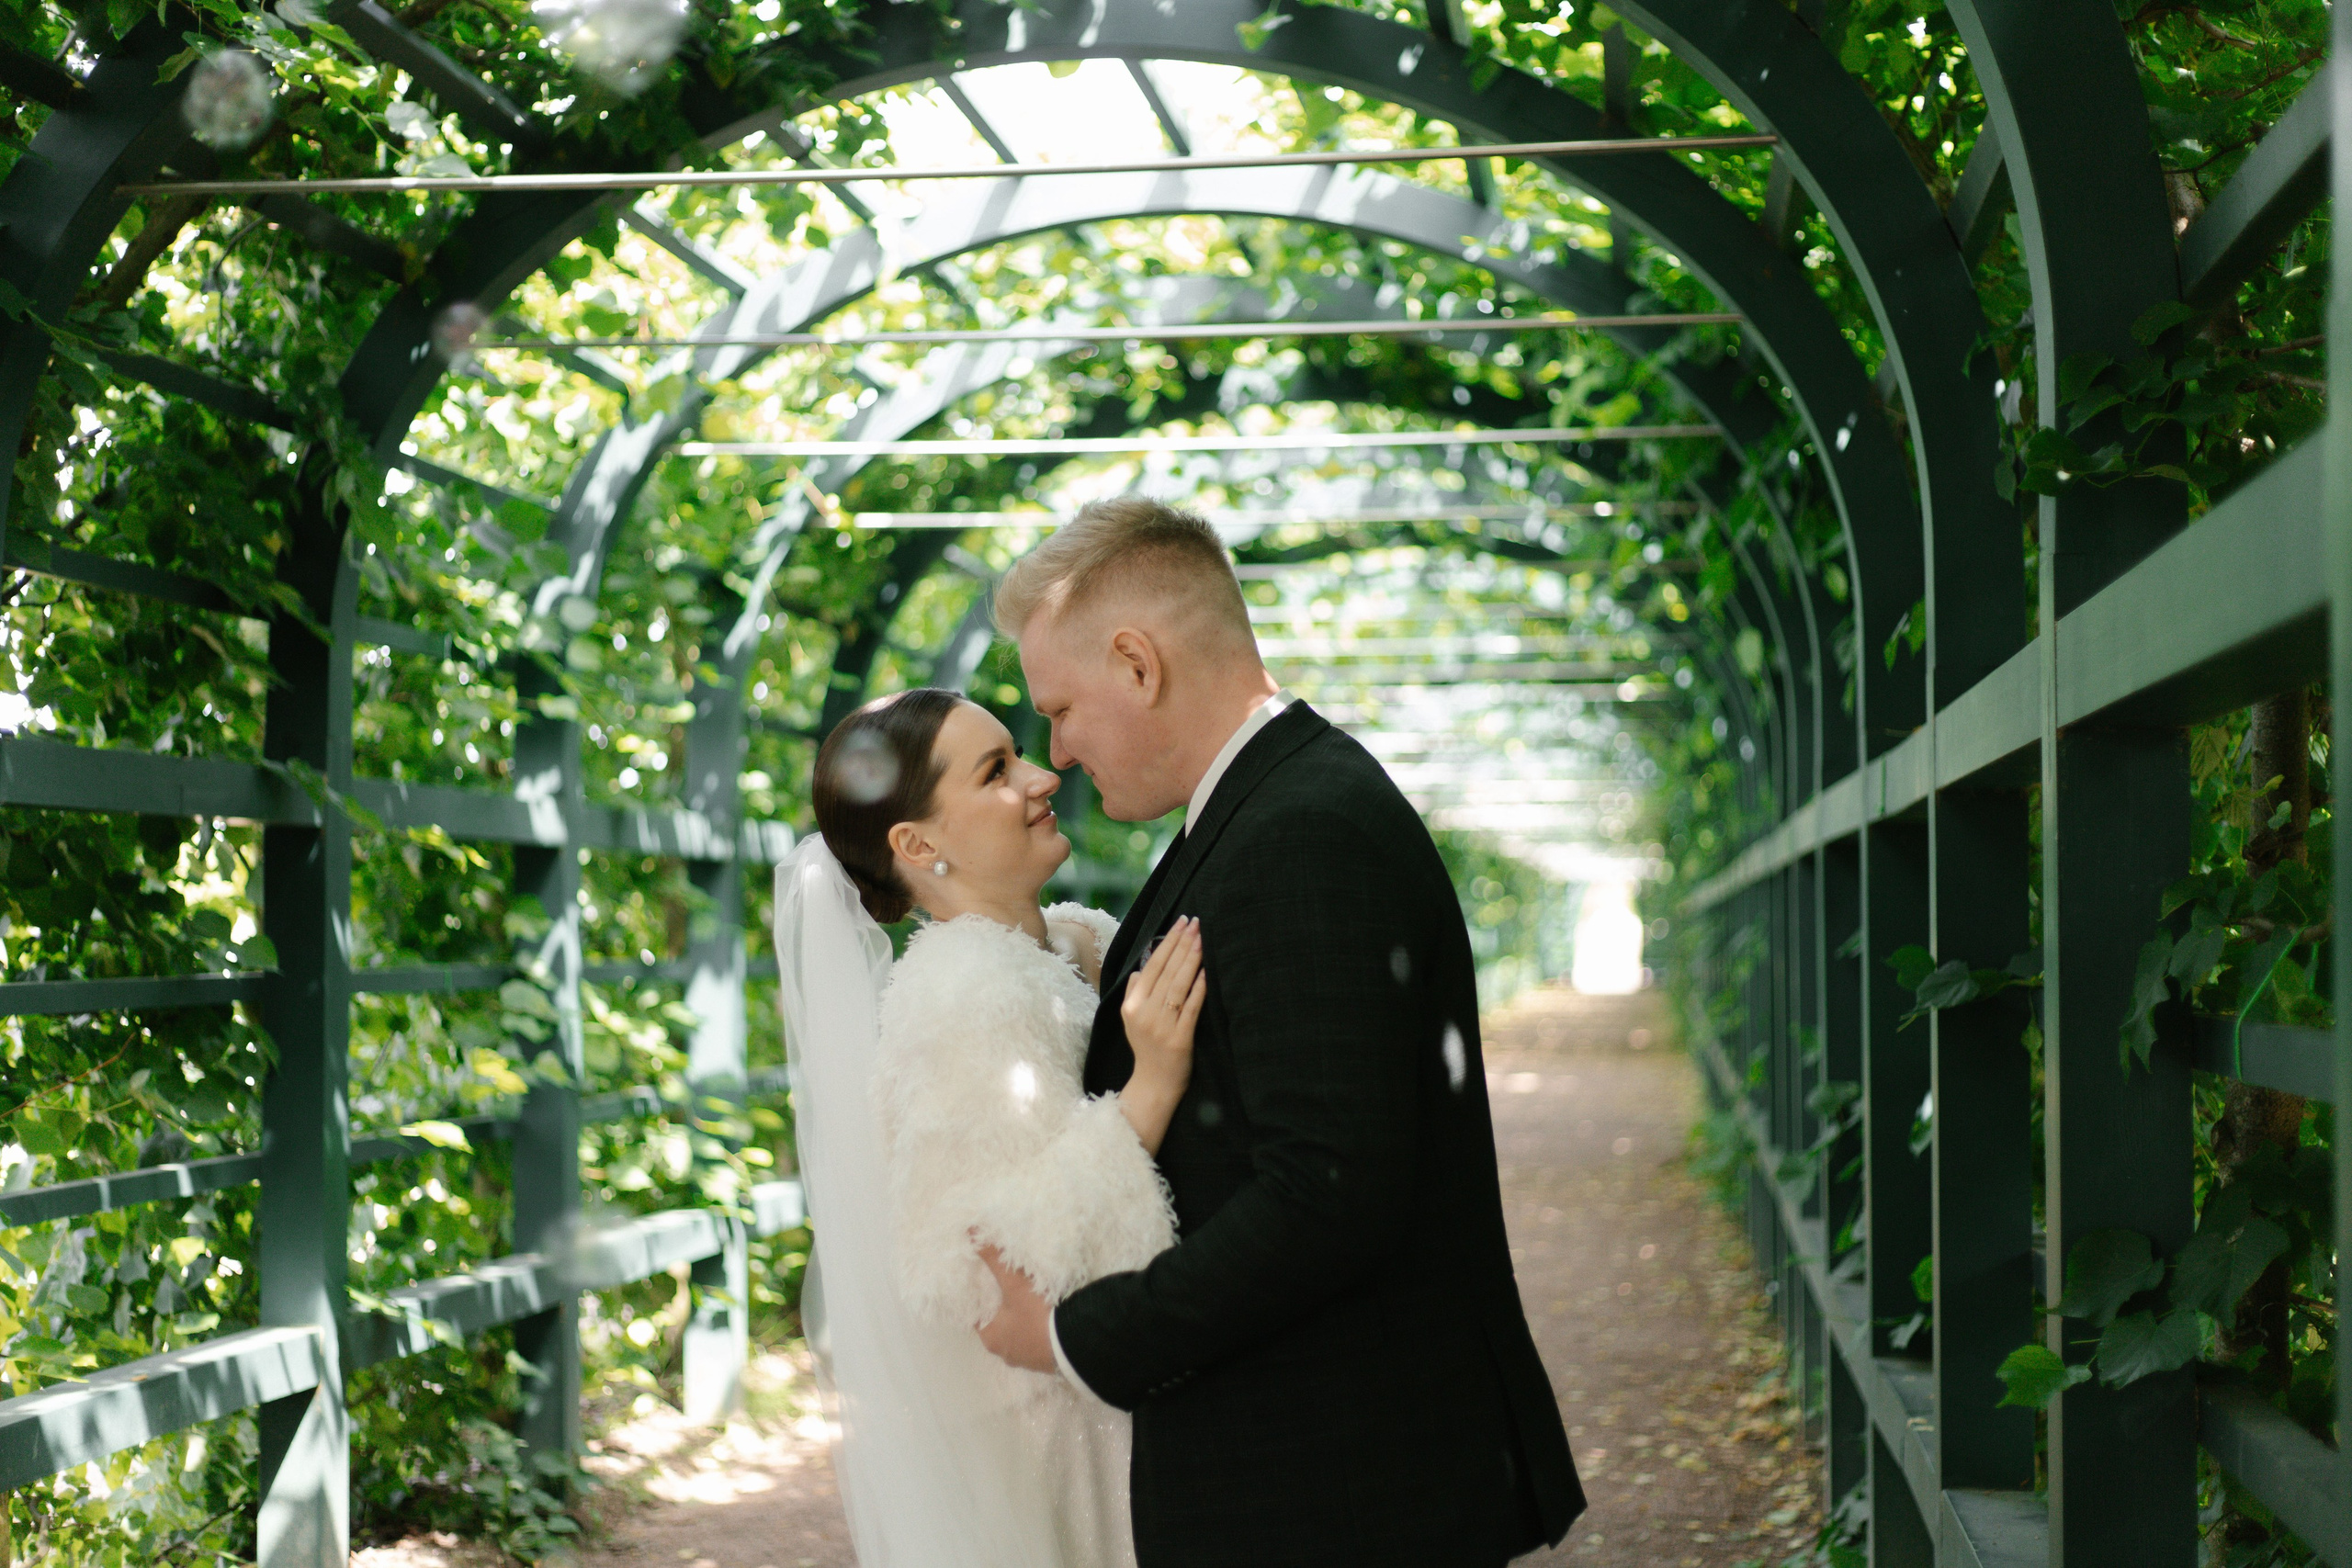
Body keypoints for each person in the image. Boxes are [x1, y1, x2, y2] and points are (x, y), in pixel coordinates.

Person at [973, 498, 1583, 1567]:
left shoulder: (1301, 833)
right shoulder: (1266, 809)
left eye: (1059, 708)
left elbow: (1329, 1190)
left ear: (1136, 662)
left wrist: (1079, 1337)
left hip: (1340, 1488)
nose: (1055, 752)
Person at [774, 685, 1209, 1567]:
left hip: (1103, 1380)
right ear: (919, 844)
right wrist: (1152, 1088)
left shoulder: (1070, 945)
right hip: (1057, 1426)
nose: (1045, 775)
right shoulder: (961, 995)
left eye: (1022, 754)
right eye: (998, 771)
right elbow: (1003, 1254)